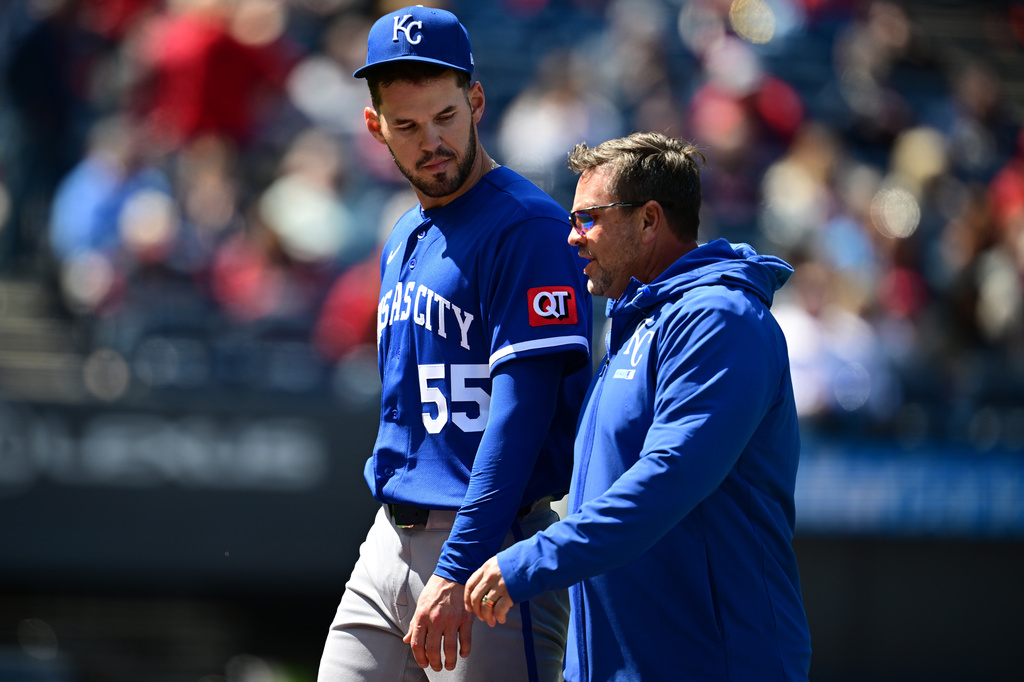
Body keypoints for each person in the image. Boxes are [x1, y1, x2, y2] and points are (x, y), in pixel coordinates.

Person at [465, 132, 813, 681]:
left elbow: (666, 478)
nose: (572, 238)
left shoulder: (719, 319)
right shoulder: (638, 321)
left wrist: (532, 559)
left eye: (587, 219)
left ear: (649, 220)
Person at [317, 6, 593, 681]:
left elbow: (521, 416)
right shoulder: (404, 236)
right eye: (407, 126)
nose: (430, 140)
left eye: (444, 116)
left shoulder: (527, 227)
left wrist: (459, 563)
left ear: (476, 100)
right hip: (389, 539)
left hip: (488, 545)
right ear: (375, 126)